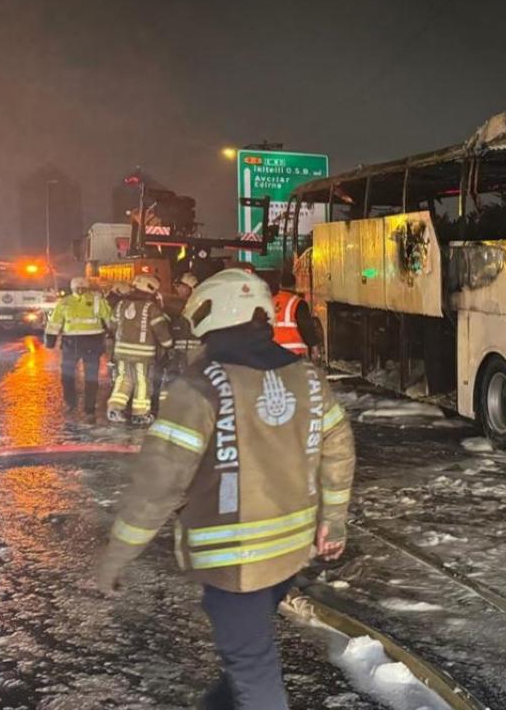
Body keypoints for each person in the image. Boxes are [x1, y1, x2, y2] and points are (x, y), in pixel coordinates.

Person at [94, 268, 355, 709]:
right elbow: (340, 447)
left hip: (234, 562)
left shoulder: (199, 387)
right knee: (244, 661)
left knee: (254, 673)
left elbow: (159, 485)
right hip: (288, 555)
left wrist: (117, 555)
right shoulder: (308, 378)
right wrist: (332, 521)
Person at [107, 273, 173, 425]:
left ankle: (115, 409)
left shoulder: (120, 304)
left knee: (123, 380)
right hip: (143, 354)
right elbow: (161, 331)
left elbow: (112, 326)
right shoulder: (151, 308)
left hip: (121, 352)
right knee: (142, 382)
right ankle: (140, 414)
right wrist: (169, 345)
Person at [44, 277, 112, 416]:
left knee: (82, 377)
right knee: (78, 376)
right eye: (78, 288)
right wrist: (50, 339)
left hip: (79, 343)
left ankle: (85, 407)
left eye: (82, 288)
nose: (80, 290)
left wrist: (50, 340)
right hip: (84, 343)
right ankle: (79, 405)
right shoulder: (69, 302)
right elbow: (109, 319)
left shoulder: (69, 302)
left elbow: (109, 318)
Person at [157, 272, 202, 406]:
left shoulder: (197, 305)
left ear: (191, 288)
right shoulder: (177, 305)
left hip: (191, 353)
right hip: (178, 351)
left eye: (182, 286)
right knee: (172, 378)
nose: (178, 289)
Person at [266, 270, 319, 356]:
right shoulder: (298, 303)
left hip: (273, 352)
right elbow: (306, 326)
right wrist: (314, 345)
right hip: (293, 353)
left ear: (280, 285)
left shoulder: (271, 301)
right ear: (295, 285)